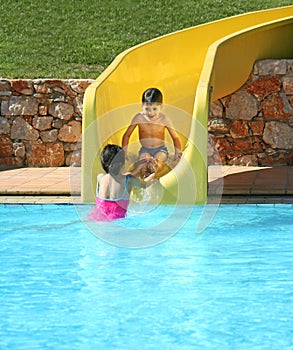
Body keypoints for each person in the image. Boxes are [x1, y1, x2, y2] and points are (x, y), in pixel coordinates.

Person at [122, 87, 182, 181]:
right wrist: (124, 151)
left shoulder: (164, 119)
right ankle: (136, 177)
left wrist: (177, 152)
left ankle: (153, 179)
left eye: (154, 108)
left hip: (161, 150)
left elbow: (175, 137)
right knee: (143, 161)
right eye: (147, 109)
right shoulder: (139, 118)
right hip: (145, 150)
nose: (151, 112)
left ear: (161, 106)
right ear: (142, 105)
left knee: (157, 163)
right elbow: (127, 135)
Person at [88, 144, 149, 221]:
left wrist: (138, 167)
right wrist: (155, 174)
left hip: (95, 219)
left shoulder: (100, 178)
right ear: (122, 164)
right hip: (116, 223)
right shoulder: (129, 180)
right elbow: (145, 184)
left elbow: (120, 176)